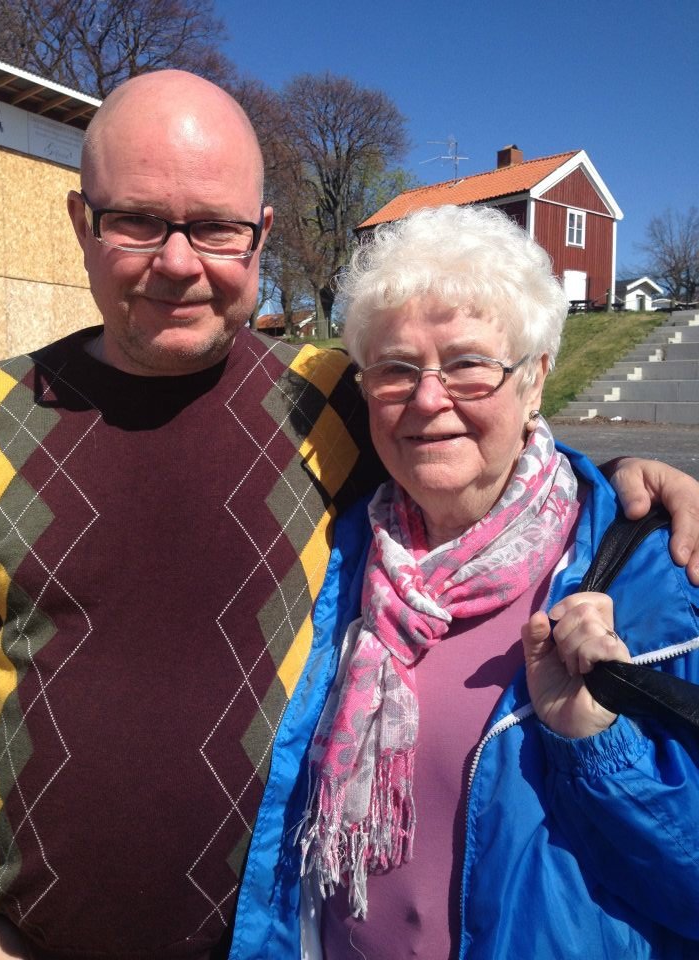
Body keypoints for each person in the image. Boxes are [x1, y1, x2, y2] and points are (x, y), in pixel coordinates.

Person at [0, 72, 697, 959]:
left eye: (215, 227)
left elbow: (487, 449)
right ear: (82, 222)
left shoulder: (323, 403)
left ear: (260, 233)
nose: (179, 262)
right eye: (137, 221)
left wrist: (633, 489)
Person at [231, 205, 699, 959]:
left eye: (469, 364)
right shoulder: (339, 556)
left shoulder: (661, 578)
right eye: (395, 369)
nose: (428, 398)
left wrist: (597, 745)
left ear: (535, 377)